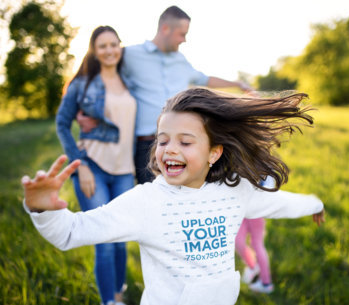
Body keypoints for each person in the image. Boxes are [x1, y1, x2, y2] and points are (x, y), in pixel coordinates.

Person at [22, 88, 325, 305]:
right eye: (163, 140)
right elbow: (72, 232)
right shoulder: (145, 202)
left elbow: (279, 202)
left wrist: (314, 203)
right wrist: (43, 209)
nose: (170, 149)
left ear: (214, 153)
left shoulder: (235, 192)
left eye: (186, 141)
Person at [77, 6, 253, 184]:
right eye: (181, 34)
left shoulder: (181, 61)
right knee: (153, 202)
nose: (184, 40)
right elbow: (96, 68)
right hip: (146, 145)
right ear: (165, 29)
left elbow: (205, 79)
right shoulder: (130, 54)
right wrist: (82, 110)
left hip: (182, 142)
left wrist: (237, 85)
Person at [56, 26, 136, 305]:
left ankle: (117, 294)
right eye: (102, 45)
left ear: (120, 46)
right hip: (94, 168)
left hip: (125, 171)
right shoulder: (82, 84)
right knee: (104, 241)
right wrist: (81, 166)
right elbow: (62, 124)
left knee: (121, 238)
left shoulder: (129, 81)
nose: (109, 50)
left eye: (114, 44)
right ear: (93, 49)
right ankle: (108, 302)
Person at [235, 177, 276, 294]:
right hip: (241, 211)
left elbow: (269, 190)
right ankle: (253, 266)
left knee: (256, 244)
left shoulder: (265, 171)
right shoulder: (241, 163)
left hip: (256, 213)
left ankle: (266, 283)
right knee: (238, 241)